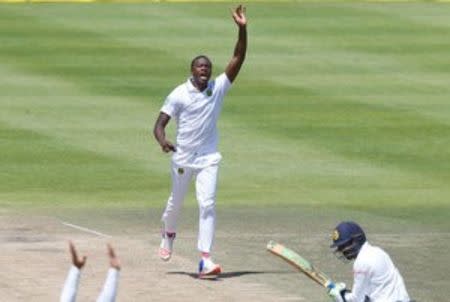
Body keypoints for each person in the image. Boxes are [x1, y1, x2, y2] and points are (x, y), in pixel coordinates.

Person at [153, 5, 247, 279]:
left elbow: (238, 57)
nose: (205, 70)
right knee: (176, 204)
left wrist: (242, 29)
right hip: (183, 157)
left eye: (208, 67)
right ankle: (168, 234)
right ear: (192, 70)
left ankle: (205, 259)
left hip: (208, 158)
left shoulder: (217, 88)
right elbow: (159, 124)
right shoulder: (179, 94)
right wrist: (163, 141)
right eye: (200, 67)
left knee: (207, 205)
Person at [327, 221, 411, 302]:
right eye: (340, 247)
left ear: (357, 240)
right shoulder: (379, 251)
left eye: (344, 245)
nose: (343, 251)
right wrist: (345, 293)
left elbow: (356, 300)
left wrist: (339, 296)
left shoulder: (361, 262)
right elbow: (369, 294)